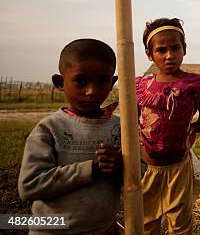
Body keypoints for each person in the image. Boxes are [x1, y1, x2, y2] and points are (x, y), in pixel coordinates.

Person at [18, 39, 124, 234]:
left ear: (112, 82)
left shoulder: (119, 128)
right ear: (60, 83)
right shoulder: (49, 129)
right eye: (81, 81)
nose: (91, 91)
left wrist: (121, 167)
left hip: (103, 229)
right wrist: (91, 169)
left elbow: (141, 175)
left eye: (102, 81)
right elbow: (29, 185)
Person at [136, 17, 200, 235]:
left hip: (178, 166)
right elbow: (134, 119)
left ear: (184, 49)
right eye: (161, 50)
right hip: (146, 167)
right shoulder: (141, 86)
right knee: (146, 221)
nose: (169, 55)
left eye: (175, 48)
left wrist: (189, 130)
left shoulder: (195, 84)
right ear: (150, 54)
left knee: (180, 222)